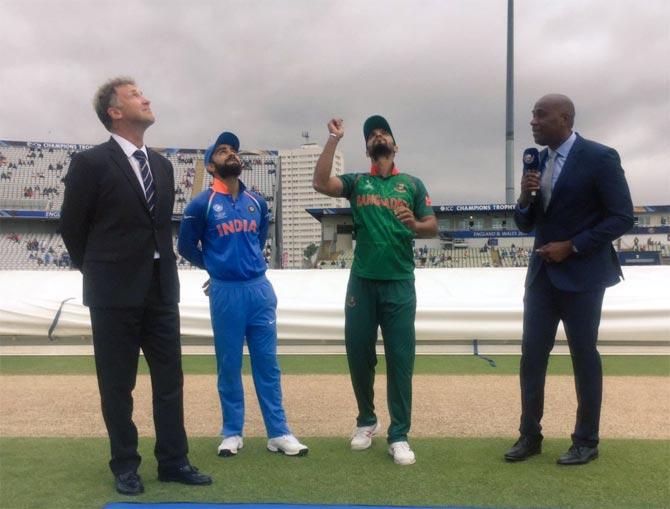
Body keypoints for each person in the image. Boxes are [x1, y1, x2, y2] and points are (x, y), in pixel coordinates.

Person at [59, 77, 212, 495]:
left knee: (170, 379)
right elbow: (72, 228)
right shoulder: (91, 164)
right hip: (112, 292)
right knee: (116, 384)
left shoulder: (162, 166)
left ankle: (173, 461)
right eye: (133, 95)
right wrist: (99, 270)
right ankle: (125, 464)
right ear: (114, 112)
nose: (145, 98)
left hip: (161, 289)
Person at [505, 94, 634, 465]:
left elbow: (622, 217)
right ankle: (529, 436)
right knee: (531, 358)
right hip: (542, 278)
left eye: (540, 115)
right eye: (532, 115)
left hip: (583, 277)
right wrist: (527, 197)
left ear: (565, 118)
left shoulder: (600, 157)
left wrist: (573, 246)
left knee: (583, 357)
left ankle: (586, 441)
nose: (533, 121)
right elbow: (526, 223)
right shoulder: (539, 162)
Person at [312, 116, 437, 465]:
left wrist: (413, 223)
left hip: (399, 283)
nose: (378, 136)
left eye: (384, 132)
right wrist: (333, 140)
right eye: (372, 135)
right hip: (362, 283)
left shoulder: (411, 184)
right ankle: (366, 420)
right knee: (358, 355)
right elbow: (320, 182)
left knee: (401, 360)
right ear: (367, 148)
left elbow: (432, 226)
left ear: (395, 146)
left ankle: (399, 434)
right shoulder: (358, 182)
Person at [178, 131, 308, 458]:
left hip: (259, 289)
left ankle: (278, 432)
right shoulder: (201, 204)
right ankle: (232, 432)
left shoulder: (256, 202)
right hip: (225, 293)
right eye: (222, 151)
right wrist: (217, 268)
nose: (230, 153)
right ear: (211, 166)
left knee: (268, 364)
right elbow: (185, 247)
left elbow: (259, 238)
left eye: (233, 150)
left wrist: (237, 265)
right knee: (229, 363)